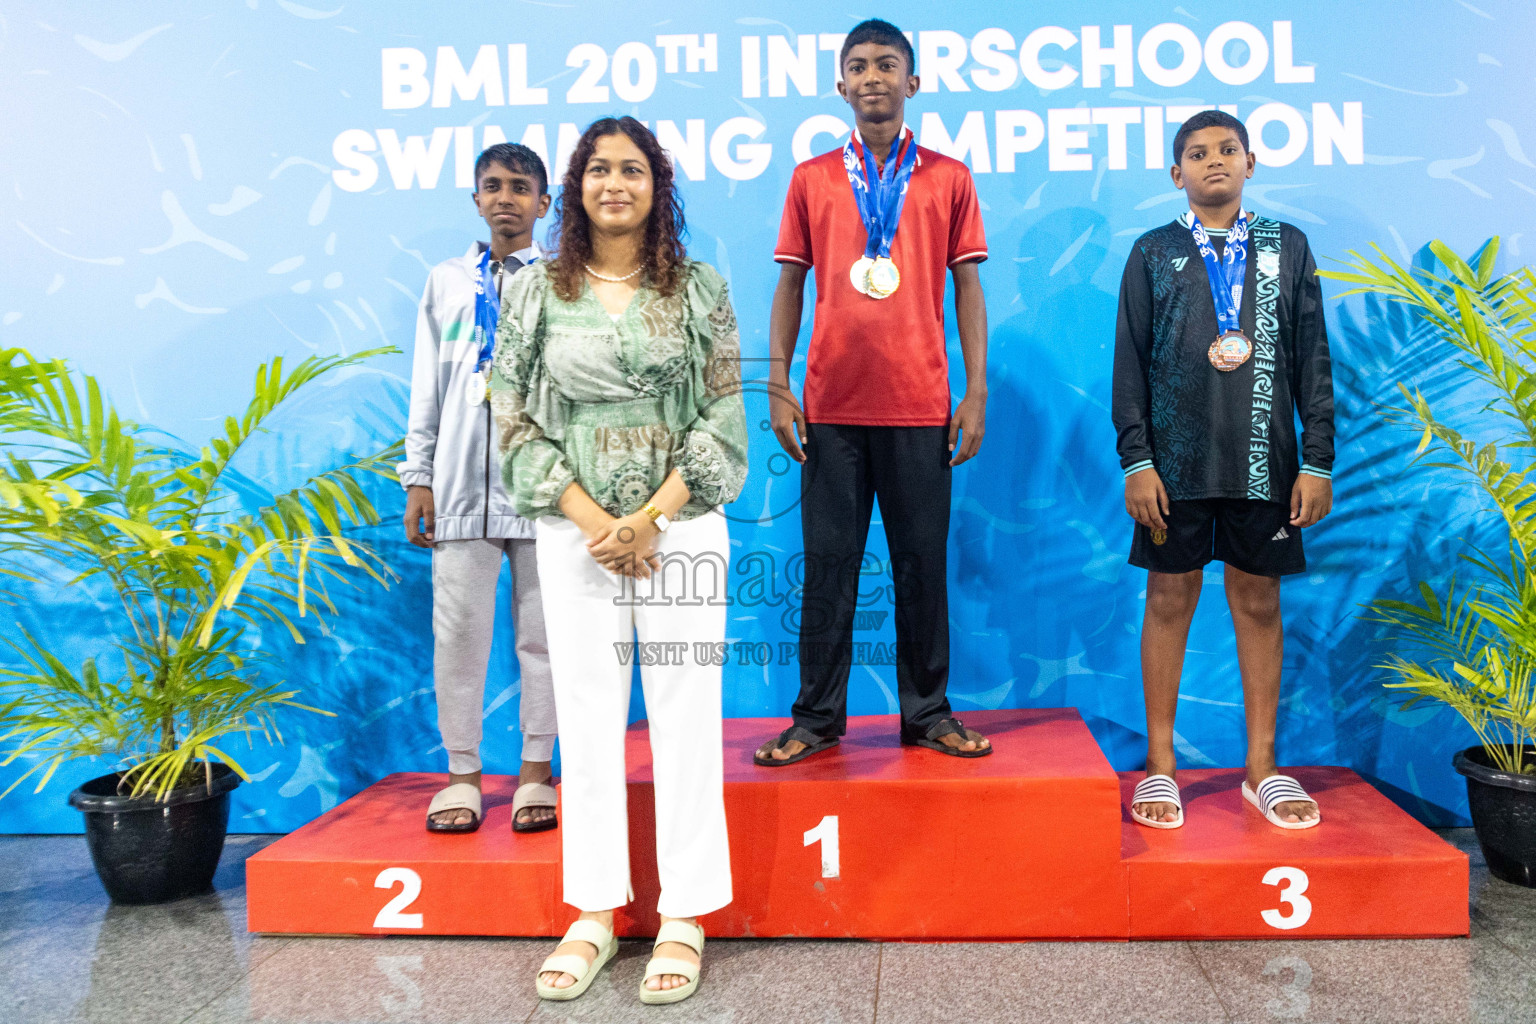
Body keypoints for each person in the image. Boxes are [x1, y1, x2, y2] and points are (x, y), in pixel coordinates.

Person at [491, 116, 747, 1004]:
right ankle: (594, 911)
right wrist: (596, 517)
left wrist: (651, 518)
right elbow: (511, 418)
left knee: (685, 713)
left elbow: (723, 416)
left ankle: (686, 913)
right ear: (576, 185)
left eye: (631, 170)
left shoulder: (701, 287)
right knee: (589, 720)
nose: (614, 184)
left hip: (681, 527)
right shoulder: (532, 294)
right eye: (599, 169)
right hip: (573, 531)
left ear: (657, 186)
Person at [756, 18, 992, 767]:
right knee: (829, 570)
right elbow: (790, 282)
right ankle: (816, 719)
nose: (872, 77)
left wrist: (975, 387)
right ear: (840, 85)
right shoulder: (813, 178)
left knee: (922, 564)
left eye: (886, 65)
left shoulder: (949, 177)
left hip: (921, 406)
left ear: (912, 82)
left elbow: (968, 289)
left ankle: (929, 715)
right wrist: (778, 382)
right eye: (857, 66)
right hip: (829, 406)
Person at [1113, 110, 1334, 832]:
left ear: (1250, 162)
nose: (1215, 161)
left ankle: (1262, 768)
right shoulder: (1152, 251)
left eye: (1227, 150)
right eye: (1197, 153)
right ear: (1176, 174)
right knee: (1169, 602)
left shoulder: (1285, 247)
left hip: (1266, 463)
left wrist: (1320, 460)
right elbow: (1129, 365)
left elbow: (1313, 361)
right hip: (1173, 469)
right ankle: (1160, 767)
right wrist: (1137, 460)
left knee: (1260, 604)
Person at [400, 143, 560, 835]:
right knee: (458, 638)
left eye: (519, 188)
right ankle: (462, 773)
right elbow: (426, 387)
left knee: (544, 639)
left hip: (545, 490)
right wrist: (419, 477)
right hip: (461, 488)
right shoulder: (445, 282)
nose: (505, 199)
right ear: (475, 199)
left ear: (543, 204)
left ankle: (534, 772)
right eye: (492, 186)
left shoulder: (563, 281)